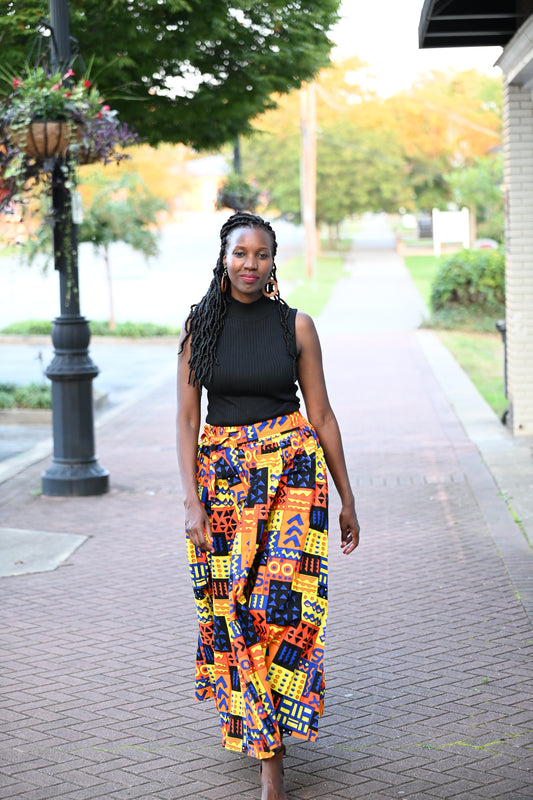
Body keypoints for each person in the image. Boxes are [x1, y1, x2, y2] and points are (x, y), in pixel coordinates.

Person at [177, 211, 359, 800]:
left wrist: (348, 497)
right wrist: (191, 503)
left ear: (273, 260)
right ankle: (266, 739)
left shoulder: (296, 327)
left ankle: (270, 759)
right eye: (240, 253)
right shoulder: (199, 326)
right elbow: (185, 421)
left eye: (260, 254)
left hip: (294, 481)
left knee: (281, 611)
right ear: (224, 257)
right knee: (233, 611)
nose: (249, 264)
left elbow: (323, 415)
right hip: (224, 486)